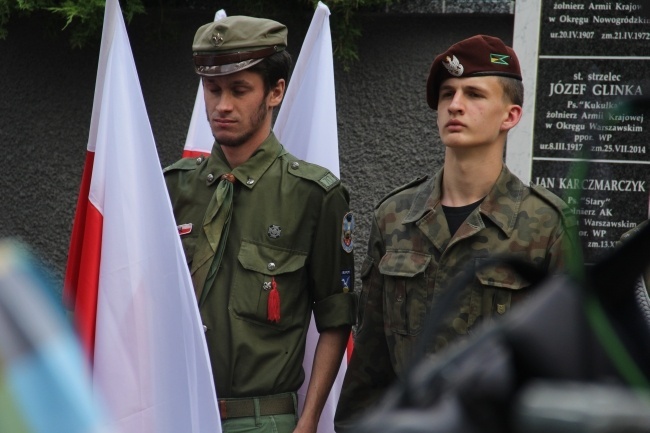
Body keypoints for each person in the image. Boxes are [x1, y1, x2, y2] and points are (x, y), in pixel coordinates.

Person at [335, 34, 580, 431]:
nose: (455, 105)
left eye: (474, 94)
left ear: (511, 115)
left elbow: (565, 363)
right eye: (447, 93)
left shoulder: (546, 223)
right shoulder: (395, 216)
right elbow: (370, 363)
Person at [164, 16, 356, 433]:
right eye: (212, 90)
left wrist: (307, 422)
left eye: (239, 90)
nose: (222, 105)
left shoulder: (315, 197)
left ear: (275, 92)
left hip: (262, 421)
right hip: (176, 413)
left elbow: (336, 319)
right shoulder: (172, 188)